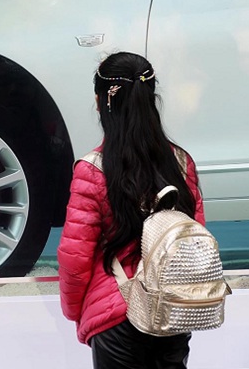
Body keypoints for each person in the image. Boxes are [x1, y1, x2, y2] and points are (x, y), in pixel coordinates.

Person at [58, 51, 205, 369]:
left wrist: (76, 310)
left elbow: (75, 258)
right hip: (173, 312)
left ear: (102, 103)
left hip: (117, 314)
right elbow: (194, 238)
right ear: (151, 99)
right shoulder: (180, 163)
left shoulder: (93, 169)